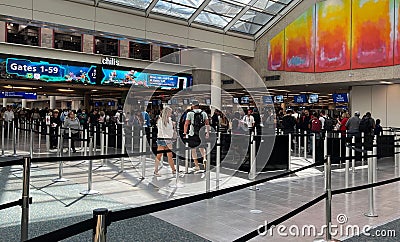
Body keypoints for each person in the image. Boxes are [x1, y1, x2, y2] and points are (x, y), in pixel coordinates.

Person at [183, 100, 210, 171]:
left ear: (193, 105)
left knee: (193, 150)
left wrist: (185, 133)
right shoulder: (204, 113)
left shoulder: (190, 113)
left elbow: (186, 124)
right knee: (202, 148)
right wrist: (207, 133)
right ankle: (204, 158)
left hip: (192, 133)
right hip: (201, 133)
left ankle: (197, 165)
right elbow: (207, 124)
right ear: (198, 105)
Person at [153, 106, 176, 176]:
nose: (171, 114)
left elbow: (170, 130)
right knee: (159, 156)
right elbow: (163, 131)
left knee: (170, 155)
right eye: (170, 112)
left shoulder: (170, 119)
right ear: (167, 112)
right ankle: (156, 171)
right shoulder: (160, 120)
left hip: (168, 139)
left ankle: (173, 170)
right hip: (162, 139)